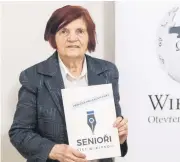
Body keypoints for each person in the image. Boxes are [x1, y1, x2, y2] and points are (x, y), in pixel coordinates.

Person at [8, 5, 128, 162]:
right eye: (64, 31)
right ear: (53, 37)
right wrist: (53, 150)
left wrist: (119, 136)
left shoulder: (107, 71)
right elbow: (19, 132)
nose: (72, 38)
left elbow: (113, 125)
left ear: (89, 36)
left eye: (80, 31)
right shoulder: (33, 77)